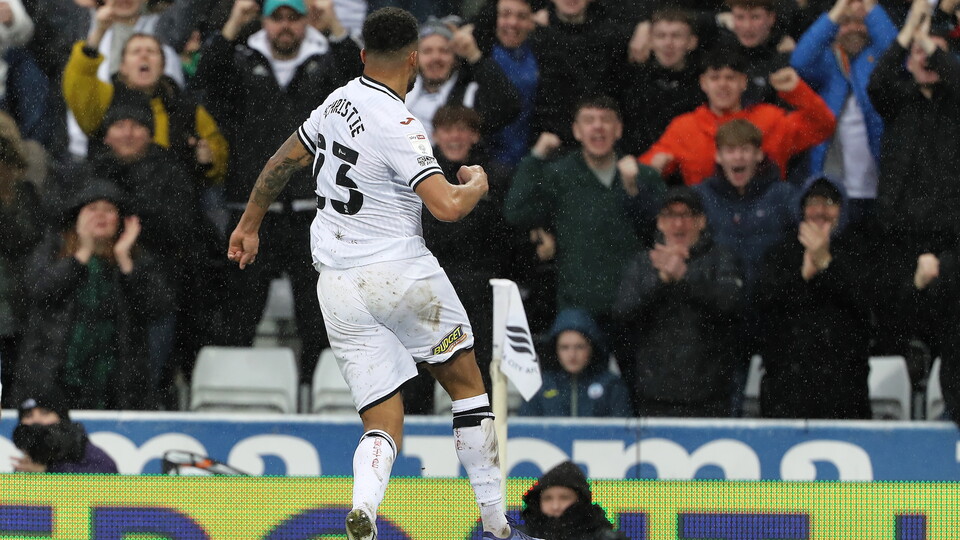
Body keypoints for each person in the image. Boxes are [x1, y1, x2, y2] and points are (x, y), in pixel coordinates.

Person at [226, 8, 541, 540]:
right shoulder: (402, 123)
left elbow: (282, 161)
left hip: (337, 284)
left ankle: (365, 508)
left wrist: (249, 224)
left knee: (381, 418)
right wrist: (478, 186)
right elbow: (445, 206)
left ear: (364, 55)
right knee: (467, 385)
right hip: (399, 271)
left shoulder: (337, 101)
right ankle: (494, 520)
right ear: (414, 58)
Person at [196, 0, 362, 385]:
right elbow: (204, 80)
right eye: (276, 18)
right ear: (263, 21)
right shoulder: (240, 59)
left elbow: (363, 81)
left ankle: (312, 393)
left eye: (294, 17)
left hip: (313, 213)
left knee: (318, 315)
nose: (285, 26)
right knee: (239, 314)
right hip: (252, 213)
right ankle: (230, 393)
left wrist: (333, 24)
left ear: (306, 21)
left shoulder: (326, 62)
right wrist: (236, 19)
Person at [504, 96, 664, 330]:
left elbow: (663, 230)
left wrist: (636, 193)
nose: (598, 126)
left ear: (618, 129)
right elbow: (517, 212)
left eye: (605, 120)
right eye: (589, 120)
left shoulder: (644, 176)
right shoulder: (559, 175)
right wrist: (535, 157)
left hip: (637, 304)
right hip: (579, 307)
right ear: (577, 131)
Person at [13, 180, 170, 410]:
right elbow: (39, 292)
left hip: (116, 383)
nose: (100, 216)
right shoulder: (53, 249)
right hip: (53, 377)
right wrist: (82, 254)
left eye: (108, 210)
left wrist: (125, 260)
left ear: (121, 221)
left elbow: (157, 307)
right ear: (77, 217)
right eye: (92, 209)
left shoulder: (136, 257)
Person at [614, 187, 742, 417]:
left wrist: (686, 277)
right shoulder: (643, 263)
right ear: (660, 223)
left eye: (686, 216)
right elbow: (623, 313)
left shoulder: (721, 258)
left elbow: (731, 304)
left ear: (701, 221)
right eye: (670, 216)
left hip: (710, 396)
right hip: (655, 395)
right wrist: (661, 281)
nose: (678, 225)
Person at [755, 176, 874, 419]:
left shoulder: (861, 252)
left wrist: (826, 265)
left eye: (829, 202)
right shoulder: (780, 255)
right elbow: (763, 309)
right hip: (785, 394)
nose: (820, 211)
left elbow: (867, 306)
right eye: (813, 202)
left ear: (842, 209)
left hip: (845, 395)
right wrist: (803, 276)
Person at [637, 51, 835, 186]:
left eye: (730, 78)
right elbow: (646, 169)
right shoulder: (684, 128)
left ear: (743, 82)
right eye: (715, 78)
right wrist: (648, 168)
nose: (723, 84)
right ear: (703, 83)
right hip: (708, 226)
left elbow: (824, 126)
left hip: (767, 220)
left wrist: (797, 91)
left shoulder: (771, 119)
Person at [63, 32, 229, 186]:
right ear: (123, 66)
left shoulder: (187, 109)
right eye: (136, 52)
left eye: (151, 51)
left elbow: (219, 157)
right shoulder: (105, 100)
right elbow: (79, 83)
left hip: (172, 200)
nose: (144, 56)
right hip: (115, 198)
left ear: (163, 66)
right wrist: (99, 31)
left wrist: (209, 159)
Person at [790, 0, 896, 225]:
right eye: (845, 23)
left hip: (878, 186)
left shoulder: (879, 61)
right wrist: (838, 10)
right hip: (834, 188)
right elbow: (799, 61)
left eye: (861, 22)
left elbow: (895, 51)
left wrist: (870, 7)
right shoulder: (828, 63)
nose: (853, 29)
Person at [405, 16, 520, 142]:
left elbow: (510, 106)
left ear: (455, 57)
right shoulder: (400, 90)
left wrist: (474, 56)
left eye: (444, 51)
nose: (436, 58)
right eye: (427, 51)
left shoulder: (470, 94)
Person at [619, 8, 704, 157]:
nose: (668, 43)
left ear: (692, 42)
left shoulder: (703, 84)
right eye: (661, 36)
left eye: (676, 36)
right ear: (650, 41)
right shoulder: (632, 81)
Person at [519, 309, 631, 418]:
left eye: (579, 347)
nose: (572, 355)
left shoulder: (611, 385)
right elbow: (524, 432)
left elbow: (623, 431)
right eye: (564, 347)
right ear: (554, 350)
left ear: (592, 348)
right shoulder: (538, 386)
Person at [12, 390, 118, 473]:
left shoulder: (83, 451)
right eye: (28, 415)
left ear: (61, 418)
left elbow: (109, 487)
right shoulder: (27, 462)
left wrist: (48, 472)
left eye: (45, 413)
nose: (36, 420)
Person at [519, 461, 628, 540]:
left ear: (581, 501)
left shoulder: (607, 538)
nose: (555, 506)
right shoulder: (517, 537)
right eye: (548, 498)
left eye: (564, 497)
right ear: (537, 502)